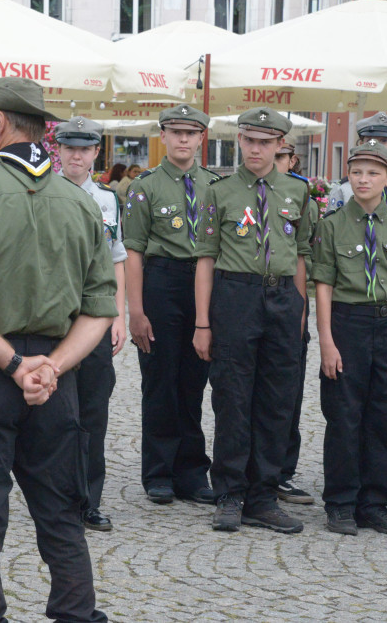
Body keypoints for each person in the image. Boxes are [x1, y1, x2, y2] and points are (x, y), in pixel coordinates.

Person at [0, 77, 115, 623]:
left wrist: (16, 366)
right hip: (56, 374)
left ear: (0, 123)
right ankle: (76, 612)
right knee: (61, 505)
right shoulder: (79, 201)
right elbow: (101, 309)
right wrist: (52, 367)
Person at [194, 107, 311, 534]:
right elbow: (205, 259)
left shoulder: (297, 193)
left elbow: (301, 256)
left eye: (266, 142)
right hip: (235, 295)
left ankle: (262, 496)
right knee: (232, 397)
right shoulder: (219, 192)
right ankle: (229, 493)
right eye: (249, 140)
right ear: (239, 140)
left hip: (281, 297)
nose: (256, 149)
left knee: (277, 400)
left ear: (281, 145)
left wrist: (298, 310)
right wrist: (202, 323)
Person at [313, 141, 387, 536]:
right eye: (356, 171)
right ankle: (341, 502)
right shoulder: (332, 225)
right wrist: (326, 338)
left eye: (373, 173)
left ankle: (376, 502)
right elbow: (323, 285)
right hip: (349, 324)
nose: (363, 179)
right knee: (344, 415)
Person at [123, 104, 217, 506]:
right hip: (161, 282)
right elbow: (133, 252)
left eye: (190, 133)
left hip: (203, 281)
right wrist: (136, 311)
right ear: (162, 137)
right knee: (161, 380)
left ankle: (193, 472)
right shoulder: (144, 187)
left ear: (201, 139)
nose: (183, 140)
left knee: (194, 381)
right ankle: (159, 471)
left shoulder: (214, 185)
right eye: (175, 132)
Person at [54, 116, 127, 531]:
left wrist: (118, 315)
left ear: (97, 153)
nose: (77, 155)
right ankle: (54, 496)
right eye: (69, 148)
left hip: (95, 317)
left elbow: (117, 259)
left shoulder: (107, 201)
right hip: (56, 317)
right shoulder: (43, 192)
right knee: (56, 411)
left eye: (84, 149)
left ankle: (88, 500)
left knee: (93, 412)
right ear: (58, 151)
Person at [272, 142, 317, 505]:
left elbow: (305, 257)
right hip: (252, 300)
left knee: (289, 395)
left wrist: (301, 313)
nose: (275, 163)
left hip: (290, 303)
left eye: (280, 156)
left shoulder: (305, 201)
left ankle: (283, 472)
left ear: (292, 160)